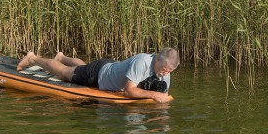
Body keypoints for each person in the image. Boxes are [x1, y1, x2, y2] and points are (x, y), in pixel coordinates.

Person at [17, 47, 179, 103]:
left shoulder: (165, 70)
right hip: (98, 75)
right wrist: (154, 95)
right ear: (157, 59)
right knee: (64, 73)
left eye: (169, 71)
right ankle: (32, 58)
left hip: (109, 67)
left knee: (81, 67)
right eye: (165, 69)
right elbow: (129, 91)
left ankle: (61, 57)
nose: (165, 74)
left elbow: (162, 95)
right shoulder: (142, 62)